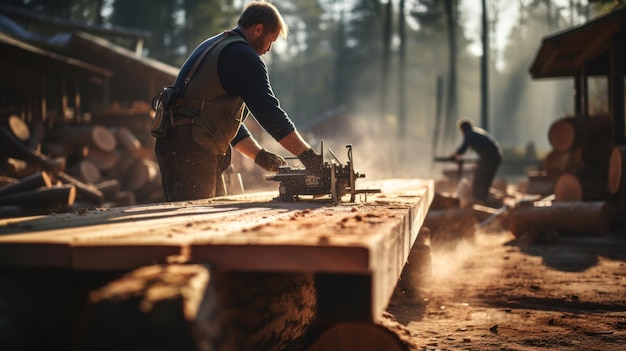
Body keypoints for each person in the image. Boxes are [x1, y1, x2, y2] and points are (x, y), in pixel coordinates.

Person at [154, 1, 321, 201]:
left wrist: (260, 156)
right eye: (271, 41)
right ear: (258, 29)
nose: (268, 49)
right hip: (190, 144)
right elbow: (269, 113)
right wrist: (309, 158)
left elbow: (222, 121)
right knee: (194, 215)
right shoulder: (242, 55)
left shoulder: (219, 45)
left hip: (189, 140)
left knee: (211, 214)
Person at [450, 118, 502, 205]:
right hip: (495, 156)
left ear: (462, 129)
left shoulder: (469, 134)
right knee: (485, 180)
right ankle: (484, 200)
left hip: (490, 158)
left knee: (479, 179)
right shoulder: (475, 133)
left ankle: (480, 201)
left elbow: (463, 148)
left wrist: (454, 156)